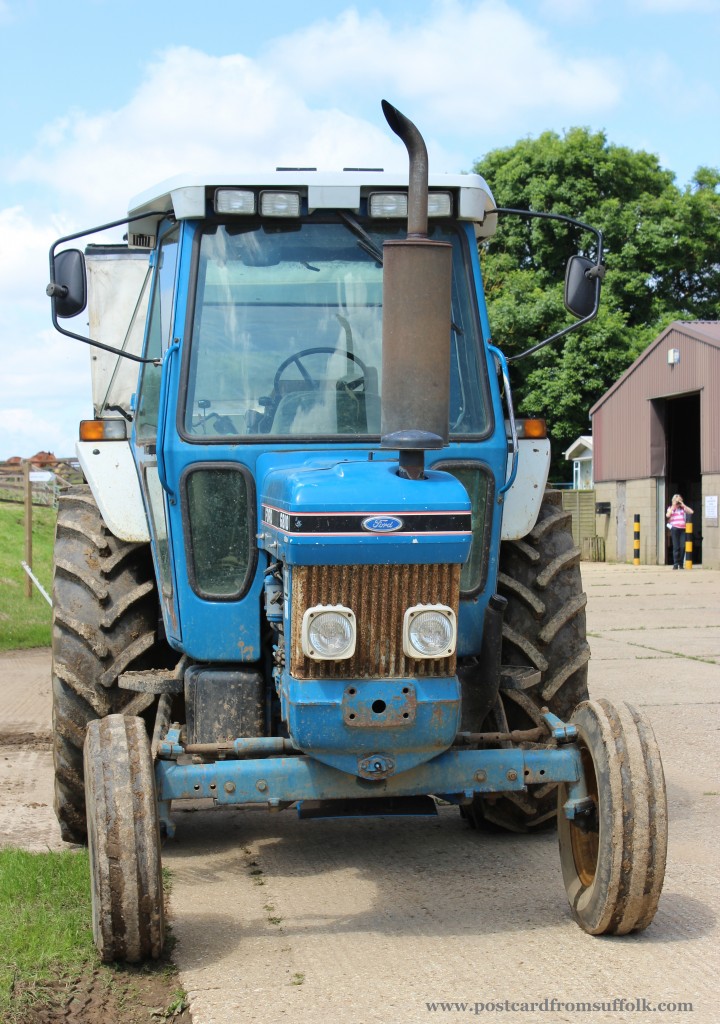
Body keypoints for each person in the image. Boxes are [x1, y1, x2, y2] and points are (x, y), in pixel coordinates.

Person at [666, 494, 694, 569]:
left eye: (679, 500)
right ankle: (675, 564)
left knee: (682, 546)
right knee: (676, 547)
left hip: (682, 529)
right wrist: (673, 506)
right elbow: (668, 515)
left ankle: (681, 564)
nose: (678, 502)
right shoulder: (670, 508)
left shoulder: (682, 509)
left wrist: (683, 504)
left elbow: (691, 512)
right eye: (677, 500)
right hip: (674, 528)